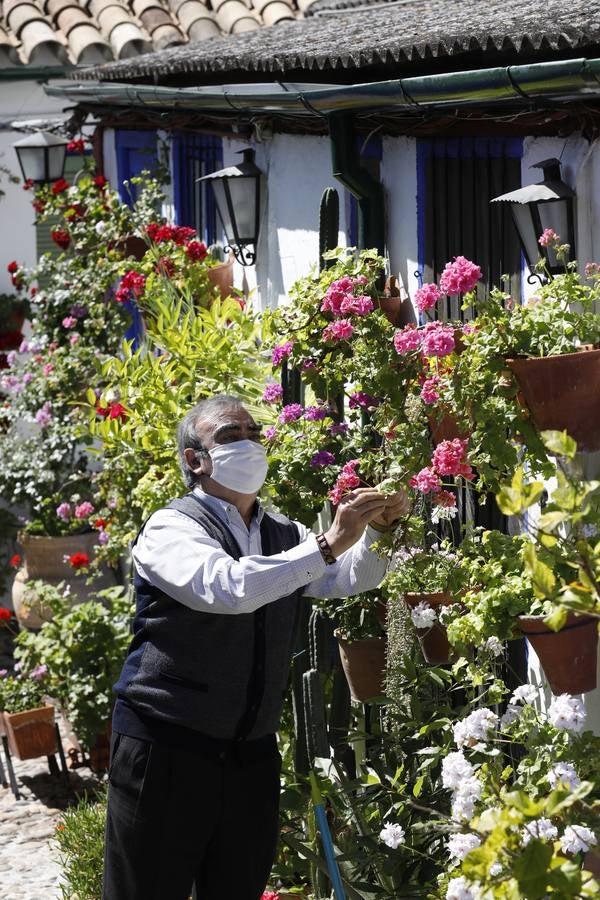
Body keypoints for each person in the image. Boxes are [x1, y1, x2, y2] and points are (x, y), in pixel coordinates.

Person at [103, 393, 408, 900]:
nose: (247, 443)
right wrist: (329, 541)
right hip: (167, 744)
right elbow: (230, 588)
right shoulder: (170, 528)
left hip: (250, 750)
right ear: (195, 460)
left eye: (253, 433)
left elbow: (348, 578)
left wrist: (377, 529)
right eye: (229, 436)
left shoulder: (281, 531)